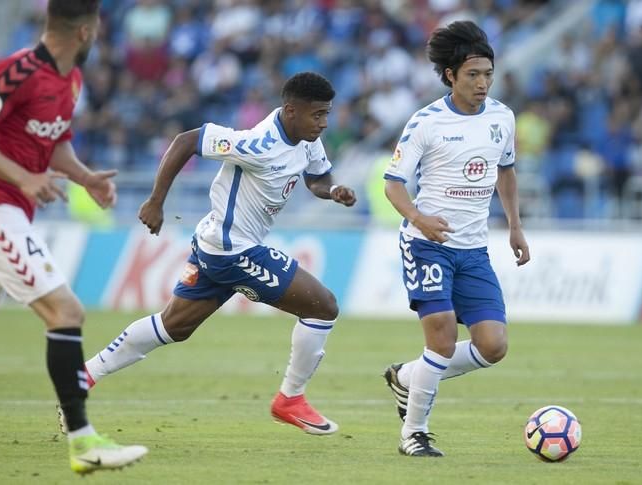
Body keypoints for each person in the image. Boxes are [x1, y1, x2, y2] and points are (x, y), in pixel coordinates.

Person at [82, 72, 357, 435]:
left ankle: (85, 375)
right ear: (291, 111)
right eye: (317, 115)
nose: (324, 123)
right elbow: (185, 141)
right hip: (234, 251)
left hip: (217, 245)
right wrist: (156, 201)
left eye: (326, 114)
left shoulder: (306, 139)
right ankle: (290, 399)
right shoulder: (255, 143)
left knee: (173, 325)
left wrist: (333, 190)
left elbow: (316, 179)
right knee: (323, 307)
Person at [0, 0, 147, 475]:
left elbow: (55, 141)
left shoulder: (70, 78)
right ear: (86, 31)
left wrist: (85, 177)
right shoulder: (17, 72)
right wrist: (23, 178)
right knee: (65, 311)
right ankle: (83, 442)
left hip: (10, 211)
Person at [382, 21, 530, 457]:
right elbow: (393, 184)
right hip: (426, 245)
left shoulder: (502, 117)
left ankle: (408, 376)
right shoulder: (425, 122)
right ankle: (415, 433)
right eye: (472, 75)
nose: (482, 83)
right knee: (442, 340)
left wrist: (515, 226)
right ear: (450, 75)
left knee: (493, 346)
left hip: (474, 250)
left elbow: (506, 170)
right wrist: (419, 218)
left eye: (487, 74)